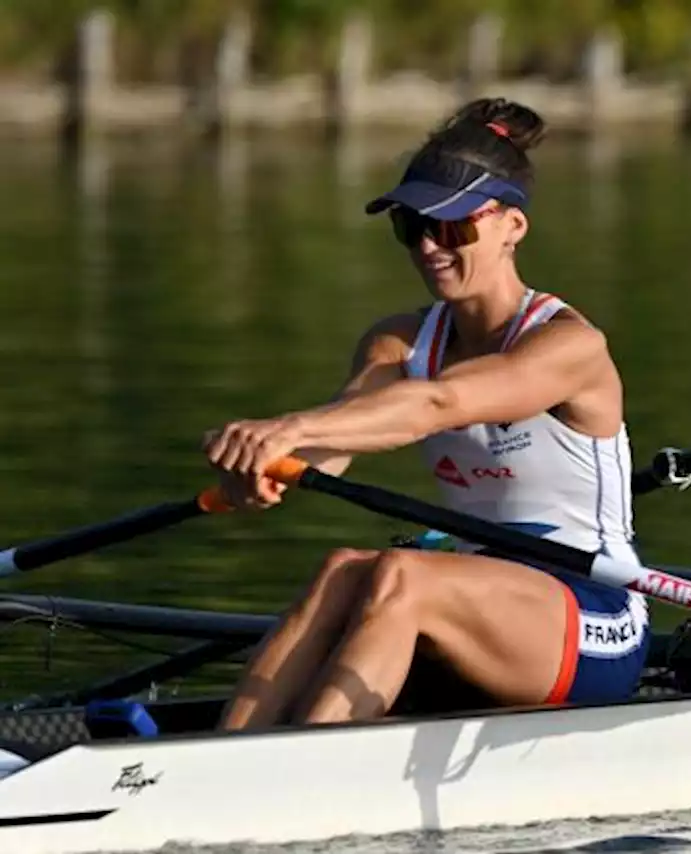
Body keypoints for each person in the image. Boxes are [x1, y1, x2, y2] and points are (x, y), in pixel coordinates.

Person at [202, 98, 649, 729]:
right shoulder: (399, 341)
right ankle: (229, 754)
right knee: (342, 569)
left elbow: (439, 404)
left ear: (512, 226)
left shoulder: (570, 347)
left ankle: (304, 766)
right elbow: (348, 432)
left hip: (595, 615)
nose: (431, 246)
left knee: (402, 574)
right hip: (476, 587)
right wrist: (270, 466)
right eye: (413, 227)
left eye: (454, 226)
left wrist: (291, 426)